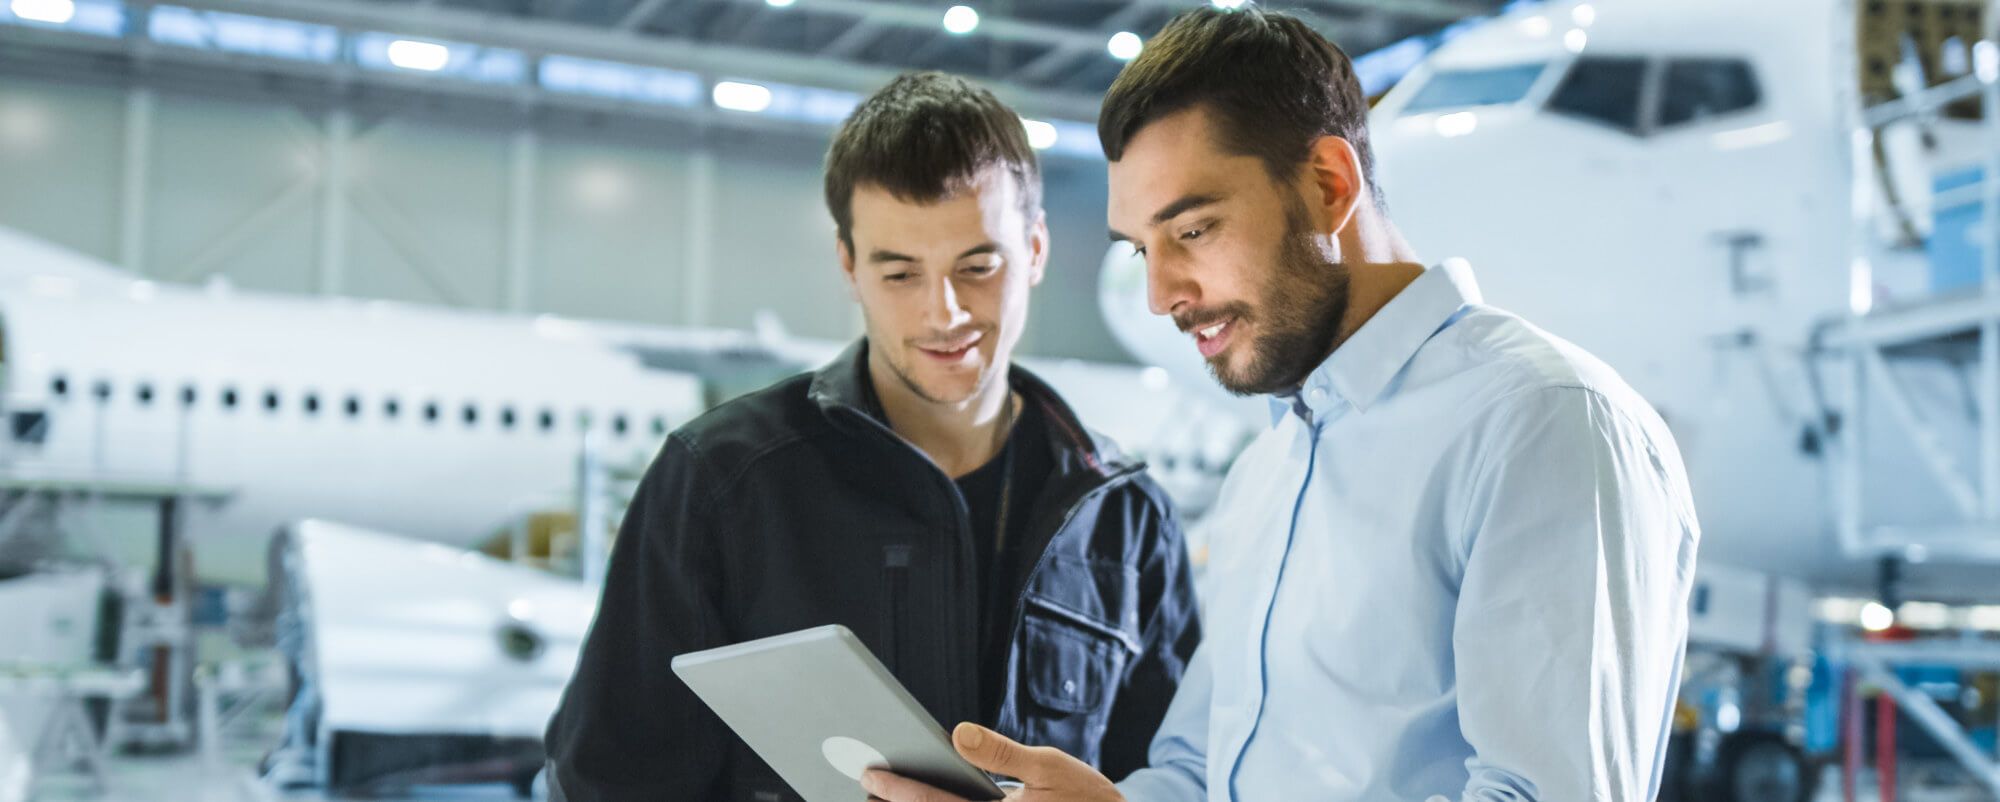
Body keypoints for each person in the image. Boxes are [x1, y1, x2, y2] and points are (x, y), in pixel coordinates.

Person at [861, 9, 1699, 802]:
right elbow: (1199, 772)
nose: (1162, 294)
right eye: (1141, 248)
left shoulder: (1543, 422)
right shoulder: (1268, 470)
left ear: (1331, 186)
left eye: (1191, 231)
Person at [542, 71, 1202, 802]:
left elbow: (1179, 778)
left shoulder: (1127, 518)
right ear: (849, 266)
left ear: (1038, 249)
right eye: (900, 274)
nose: (943, 312)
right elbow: (606, 780)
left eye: (977, 267)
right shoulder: (723, 482)